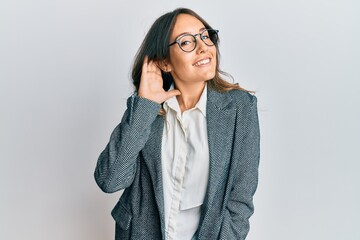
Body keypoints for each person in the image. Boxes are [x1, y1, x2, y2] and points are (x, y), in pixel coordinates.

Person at [94, 7, 260, 240]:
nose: (203, 46)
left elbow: (240, 198)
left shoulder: (240, 108)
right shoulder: (146, 109)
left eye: (205, 36)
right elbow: (110, 180)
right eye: (186, 42)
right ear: (164, 63)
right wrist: (144, 106)